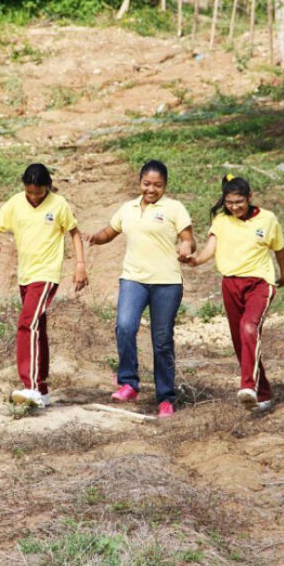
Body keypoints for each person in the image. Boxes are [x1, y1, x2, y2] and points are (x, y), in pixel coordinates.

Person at [84, 160, 195, 419]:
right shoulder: (128, 209)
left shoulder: (174, 208)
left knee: (162, 341)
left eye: (157, 185)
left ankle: (166, 398)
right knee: (124, 325)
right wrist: (93, 238)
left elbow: (188, 237)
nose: (151, 189)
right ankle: (128, 383)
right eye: (147, 184)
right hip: (134, 279)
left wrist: (187, 246)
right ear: (139, 182)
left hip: (166, 282)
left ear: (165, 185)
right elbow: (109, 232)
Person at [0, 164, 88, 408]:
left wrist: (80, 264)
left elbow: (73, 232)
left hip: (47, 274)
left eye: (38, 193)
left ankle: (29, 386)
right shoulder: (16, 202)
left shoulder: (58, 204)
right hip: (25, 275)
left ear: (47, 187)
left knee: (26, 324)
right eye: (29, 193)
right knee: (37, 328)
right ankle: (42, 389)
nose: (33, 197)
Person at [184, 175, 284, 412]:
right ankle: (262, 393)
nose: (234, 207)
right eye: (229, 202)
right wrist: (195, 260)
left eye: (239, 202)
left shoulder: (267, 219)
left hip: (260, 283)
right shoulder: (221, 220)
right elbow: (211, 247)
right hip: (230, 284)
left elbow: (279, 249)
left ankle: (248, 386)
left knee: (249, 328)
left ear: (250, 198)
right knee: (241, 341)